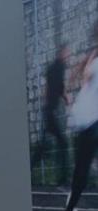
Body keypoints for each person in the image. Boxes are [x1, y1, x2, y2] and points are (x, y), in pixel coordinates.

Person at [61, 24, 98, 211]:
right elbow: (79, 78)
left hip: (91, 123)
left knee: (80, 179)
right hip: (88, 124)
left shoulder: (91, 58)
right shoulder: (92, 59)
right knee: (80, 180)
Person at [32, 45, 70, 186]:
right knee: (63, 143)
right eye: (67, 53)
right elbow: (60, 86)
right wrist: (66, 98)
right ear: (61, 53)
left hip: (48, 110)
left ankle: (30, 168)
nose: (68, 56)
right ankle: (63, 179)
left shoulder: (51, 67)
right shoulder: (60, 67)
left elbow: (47, 88)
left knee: (44, 146)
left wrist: (47, 105)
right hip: (51, 111)